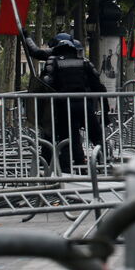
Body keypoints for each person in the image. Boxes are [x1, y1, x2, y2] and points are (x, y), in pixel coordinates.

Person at [41, 39, 105, 173]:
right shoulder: (84, 62)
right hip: (84, 104)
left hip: (64, 105)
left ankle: (68, 168)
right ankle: (101, 161)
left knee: (69, 137)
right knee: (96, 134)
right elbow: (98, 85)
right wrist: (104, 108)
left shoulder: (54, 62)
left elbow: (47, 83)